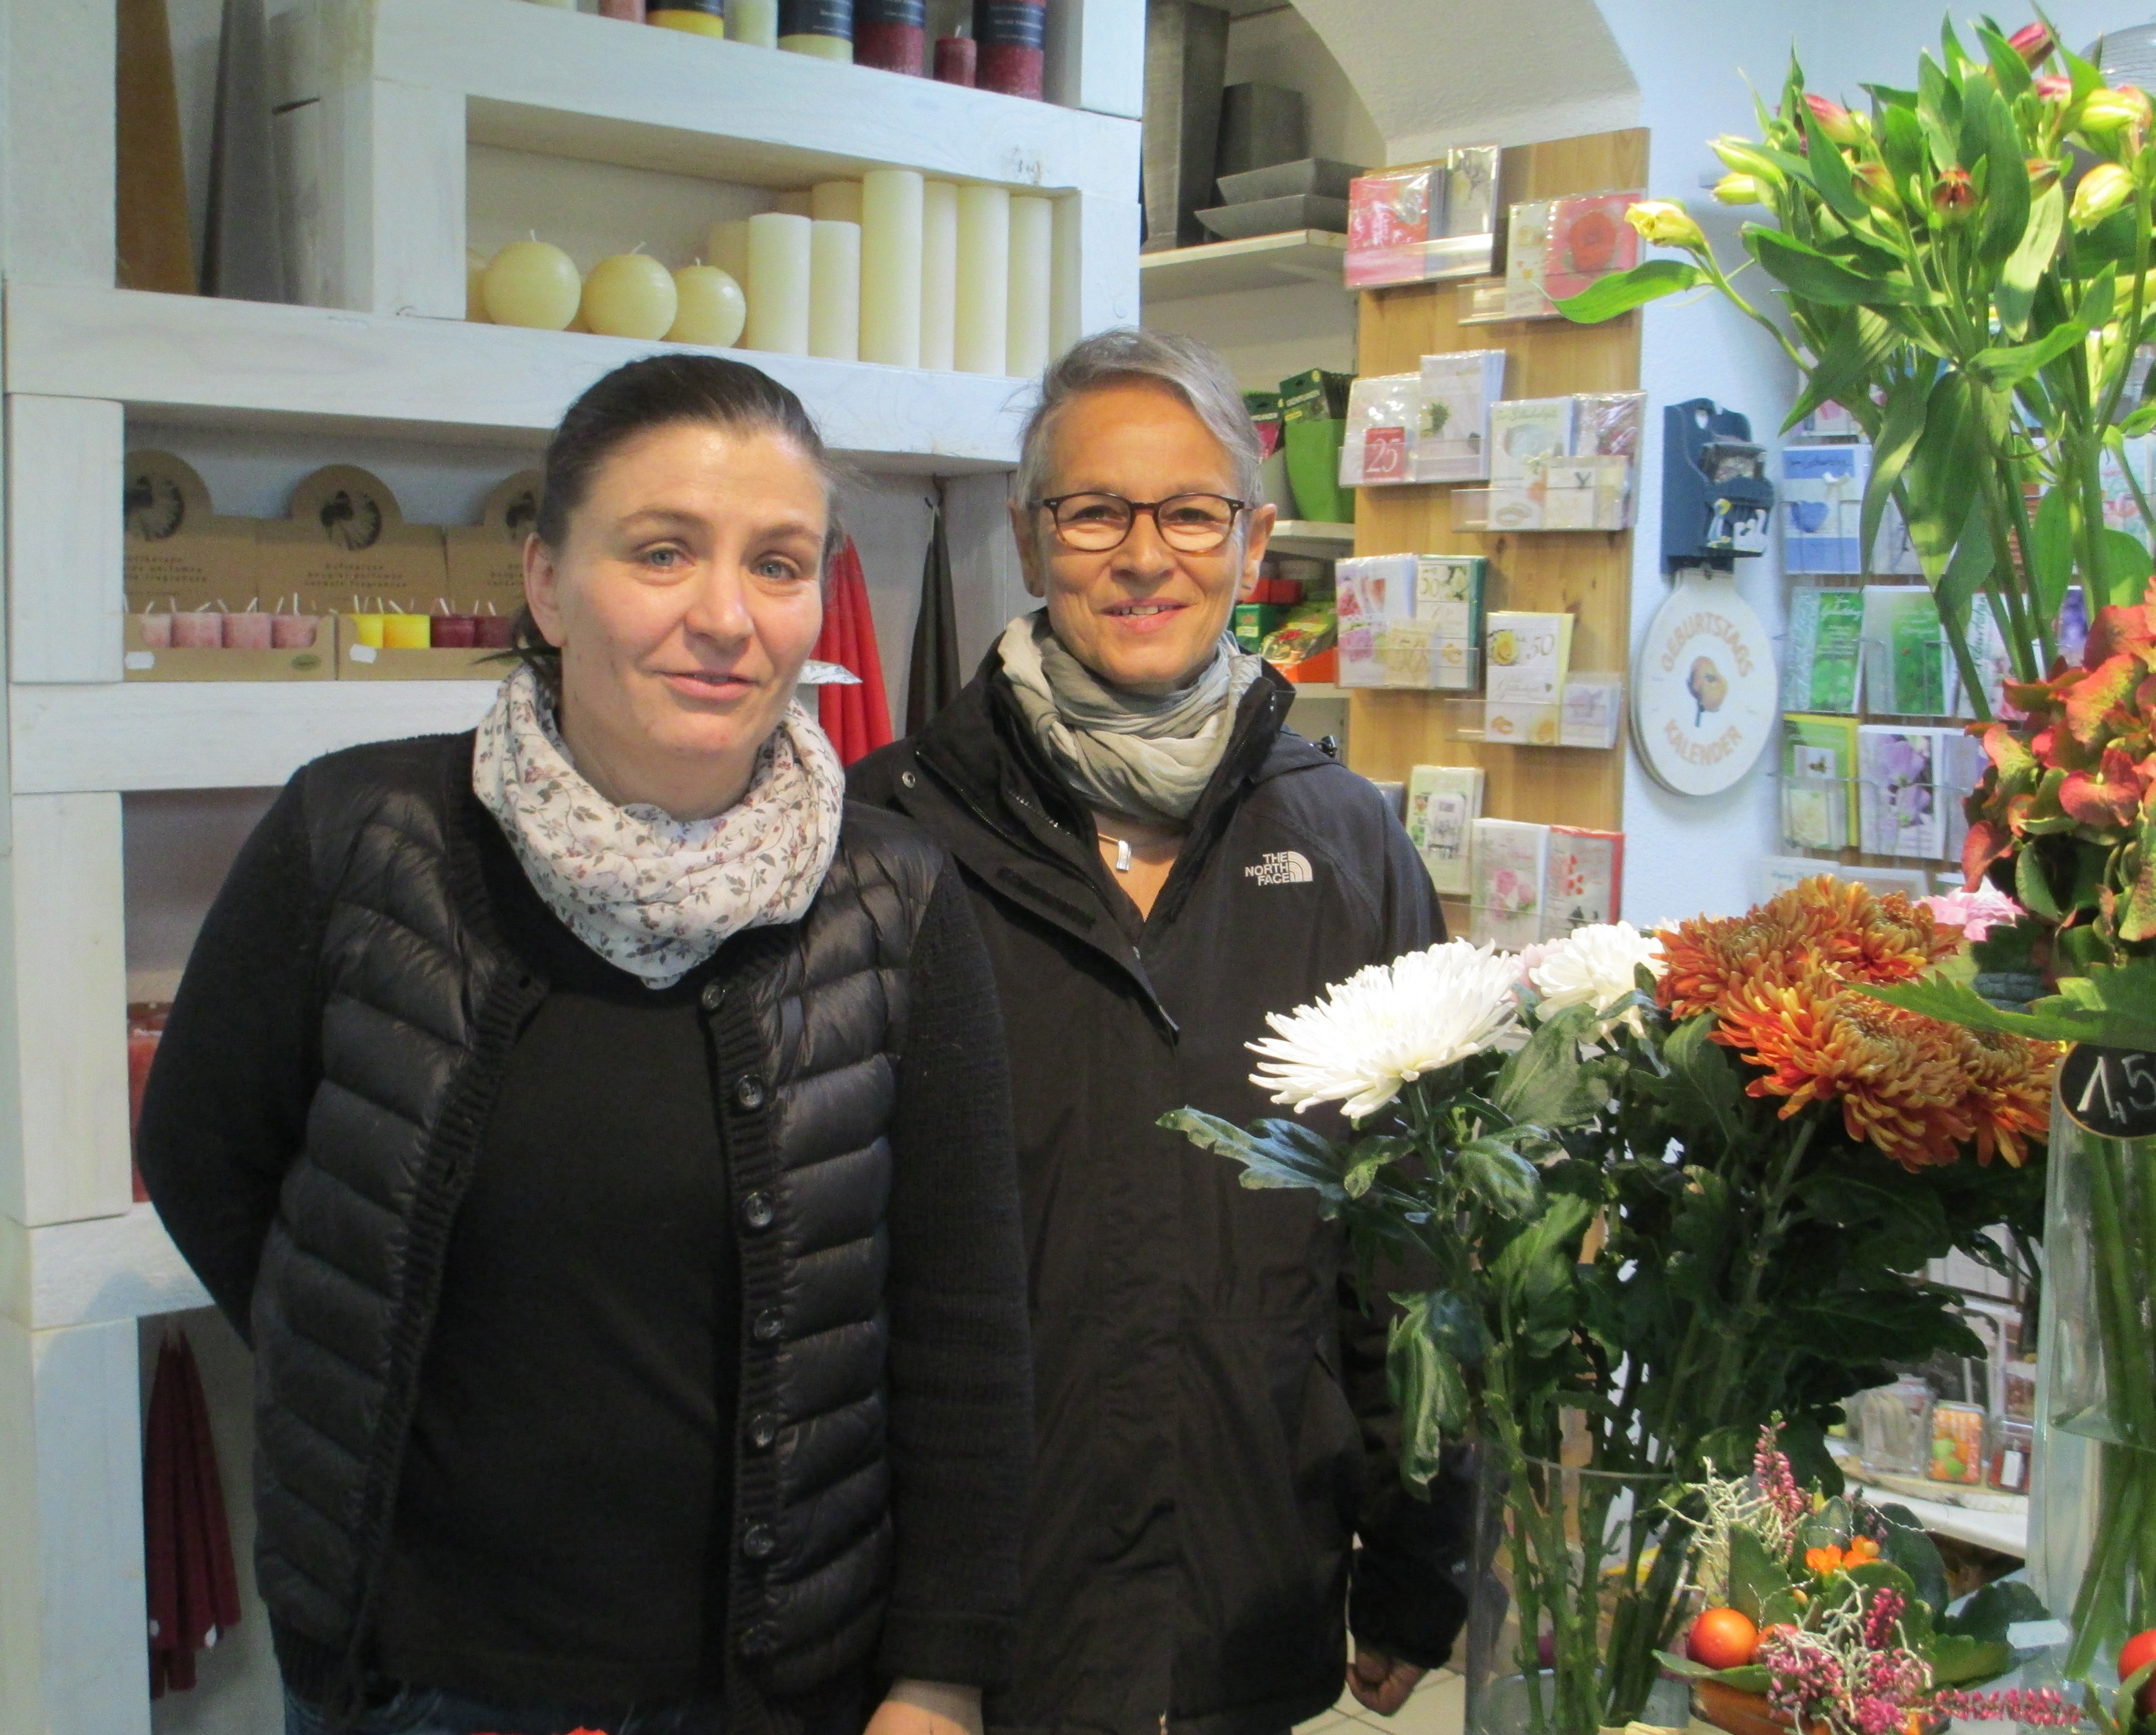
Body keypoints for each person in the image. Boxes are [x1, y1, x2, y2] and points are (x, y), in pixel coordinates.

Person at [140, 354, 1032, 1735]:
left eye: (777, 564)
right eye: (662, 552)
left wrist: (939, 1678)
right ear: (549, 584)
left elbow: (962, 1318)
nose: (724, 617)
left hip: (777, 1689)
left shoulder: (893, 899)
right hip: (421, 1679)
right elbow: (208, 1161)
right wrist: (364, 1360)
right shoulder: (358, 839)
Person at [851, 328, 1468, 1735]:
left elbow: (1412, 1244)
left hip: (1247, 1606)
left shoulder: (1350, 846)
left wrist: (1422, 1558)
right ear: (1029, 538)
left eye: (1191, 513)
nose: (1146, 557)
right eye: (1095, 513)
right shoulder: (887, 837)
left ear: (1251, 544)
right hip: (953, 1639)